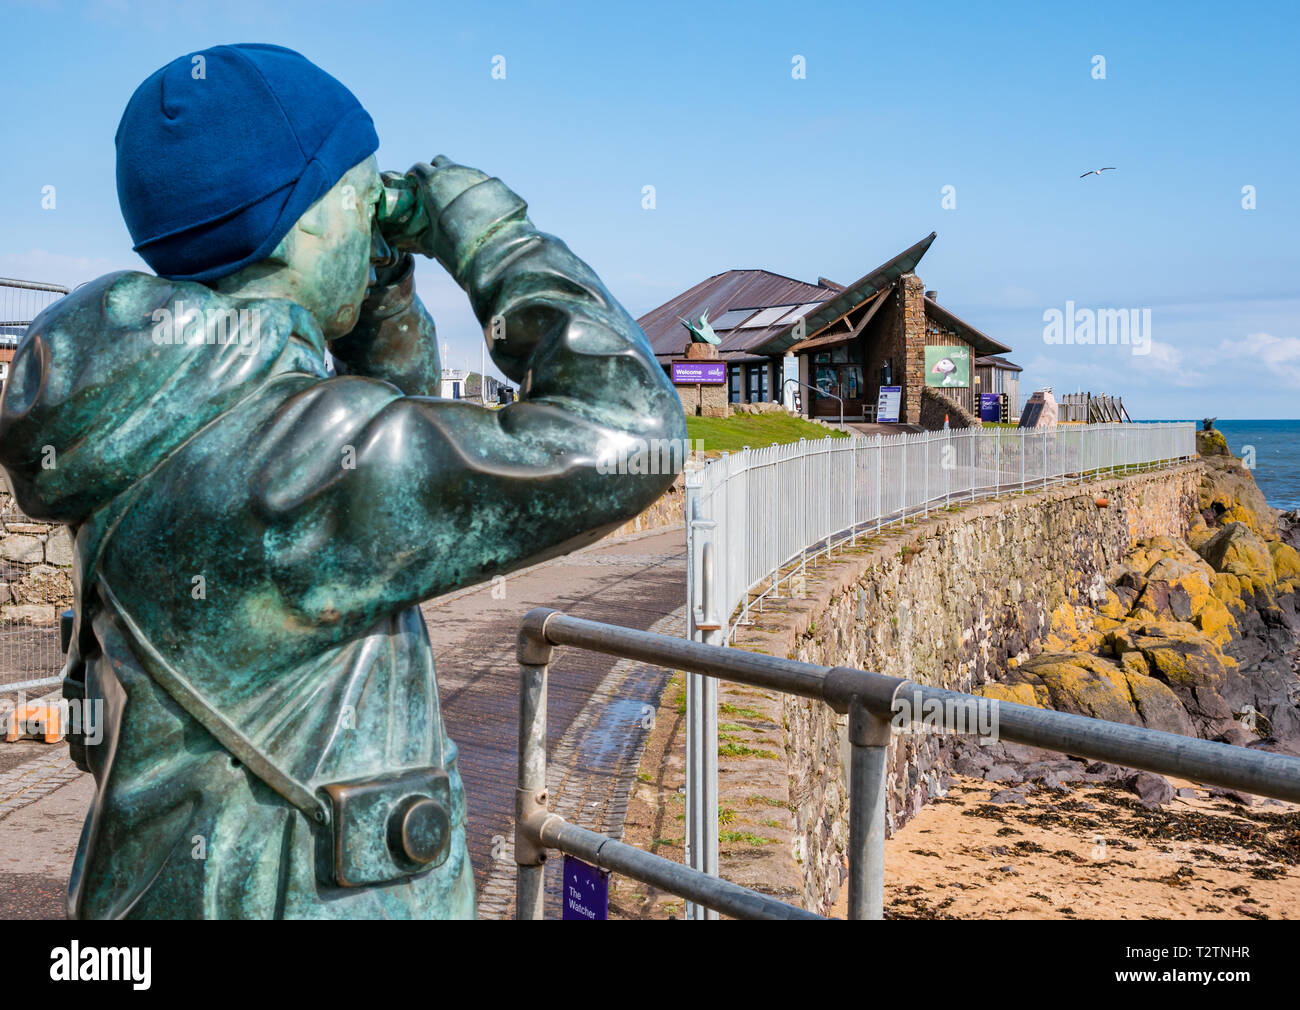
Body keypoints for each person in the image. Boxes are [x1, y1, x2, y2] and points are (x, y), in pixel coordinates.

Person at [0, 43, 685, 919]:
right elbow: (632, 432)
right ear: (303, 221)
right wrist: (493, 233)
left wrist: (381, 288)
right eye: (360, 198)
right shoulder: (296, 457)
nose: (375, 214)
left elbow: (396, 461)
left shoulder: (153, 415)